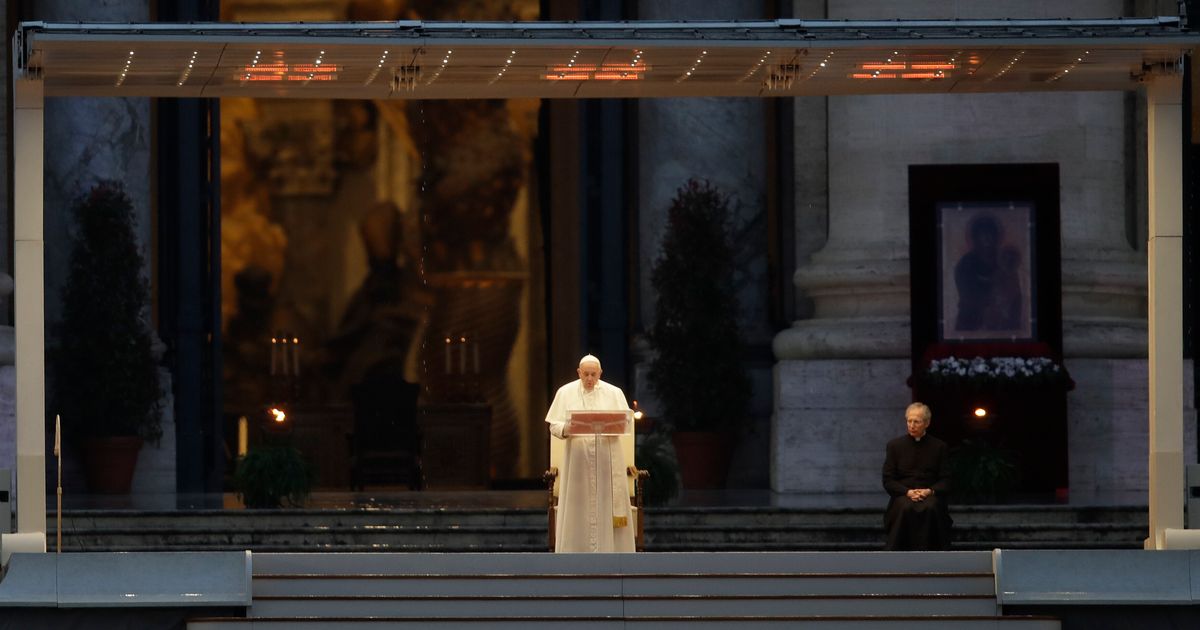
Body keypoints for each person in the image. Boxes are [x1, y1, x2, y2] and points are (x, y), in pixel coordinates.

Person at [545, 355, 635, 553]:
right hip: (577, 463)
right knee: (578, 508)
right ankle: (575, 553)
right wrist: (568, 427)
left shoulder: (614, 392)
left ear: (600, 373)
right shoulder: (565, 392)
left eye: (593, 374)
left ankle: (611, 554)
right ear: (579, 372)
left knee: (605, 504)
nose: (589, 379)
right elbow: (554, 425)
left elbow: (626, 422)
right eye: (585, 374)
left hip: (606, 461)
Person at [883, 402, 952, 550]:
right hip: (903, 495)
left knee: (931, 506)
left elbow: (946, 480)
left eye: (916, 421)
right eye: (909, 421)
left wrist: (930, 491)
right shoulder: (894, 446)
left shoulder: (939, 447)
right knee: (905, 506)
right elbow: (888, 480)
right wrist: (907, 492)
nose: (912, 425)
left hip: (929, 494)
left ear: (927, 423)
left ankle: (933, 556)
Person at [954, 212, 1021, 332]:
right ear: (975, 237)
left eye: (990, 234)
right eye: (982, 234)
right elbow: (965, 293)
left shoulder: (1005, 258)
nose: (987, 238)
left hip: (1002, 319)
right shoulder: (966, 263)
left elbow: (1015, 291)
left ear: (996, 236)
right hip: (972, 319)